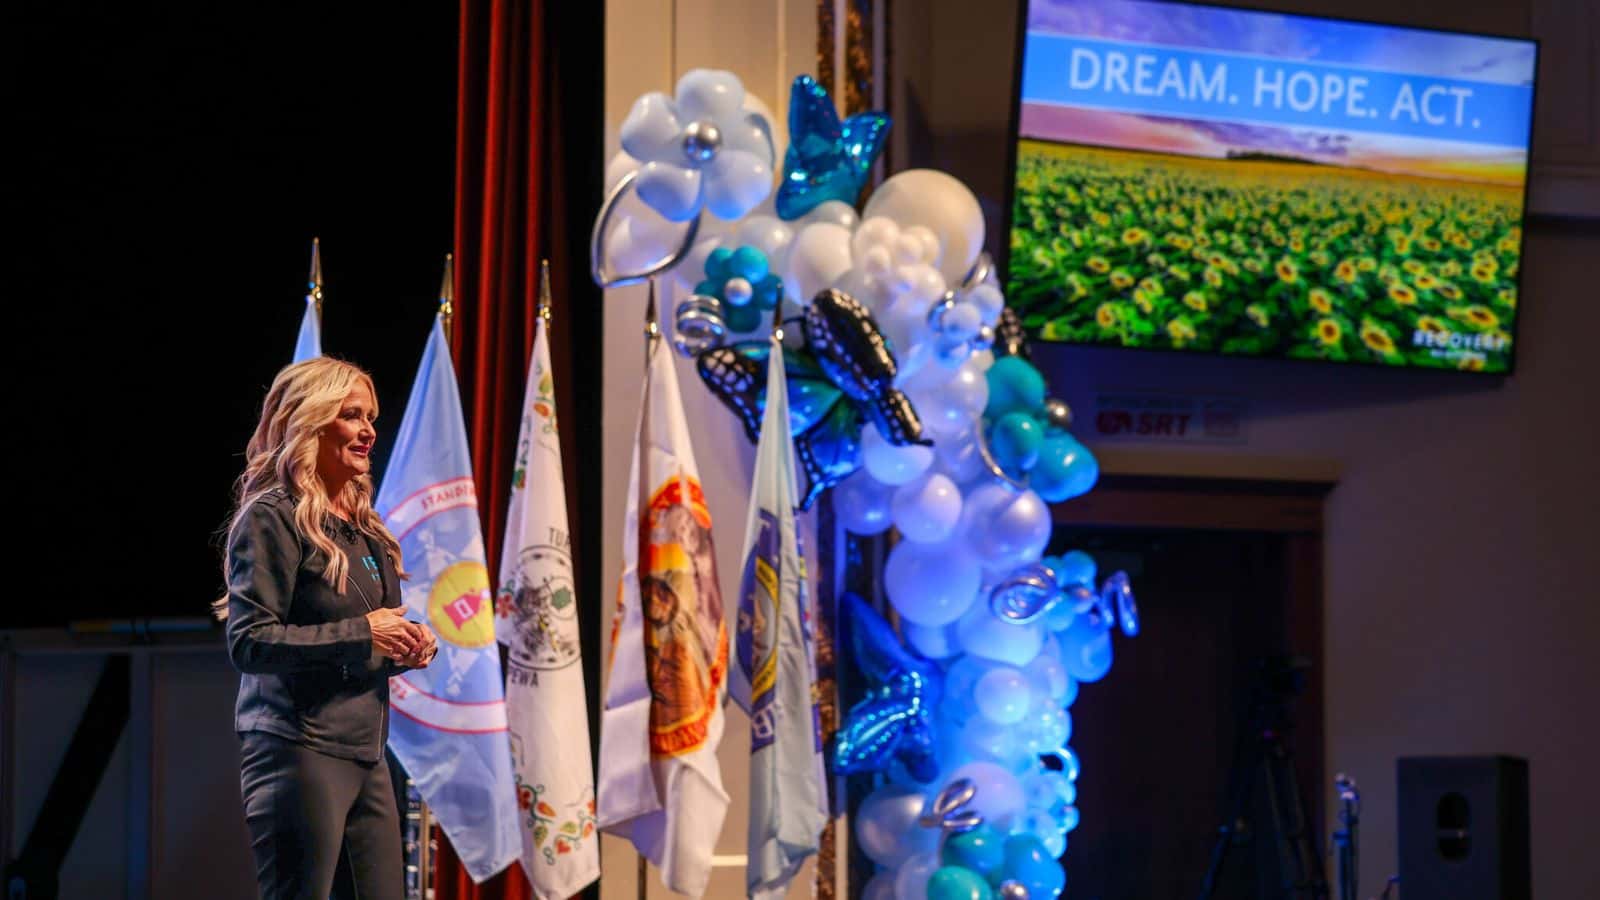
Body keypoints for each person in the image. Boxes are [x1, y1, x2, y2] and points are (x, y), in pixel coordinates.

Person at [217, 357, 437, 900]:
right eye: (352, 416)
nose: (368, 431)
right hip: (298, 748)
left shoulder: (366, 529)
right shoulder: (272, 516)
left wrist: (406, 644)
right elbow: (250, 642)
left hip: (367, 753)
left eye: (371, 418)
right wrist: (365, 633)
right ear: (310, 422)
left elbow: (369, 635)